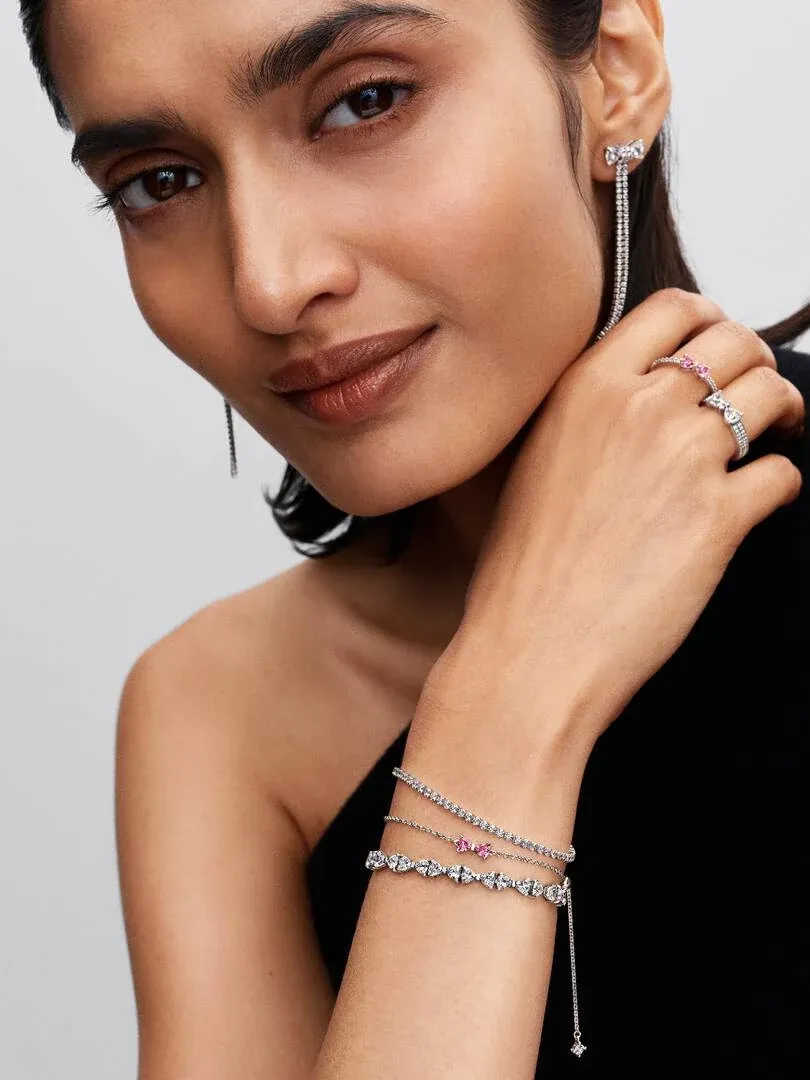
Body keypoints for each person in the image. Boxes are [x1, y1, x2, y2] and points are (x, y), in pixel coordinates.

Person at [19, 0, 809, 1075]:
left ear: (616, 71)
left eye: (366, 101)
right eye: (161, 179)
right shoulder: (224, 710)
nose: (269, 280)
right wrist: (511, 698)